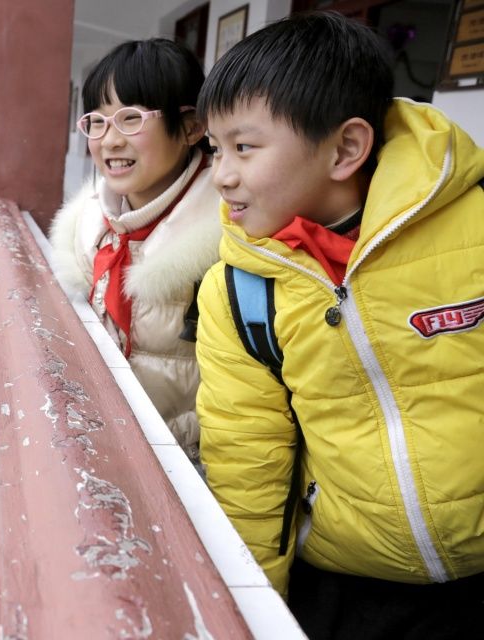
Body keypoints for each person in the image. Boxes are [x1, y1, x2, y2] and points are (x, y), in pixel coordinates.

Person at [194, 11, 484, 638]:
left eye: (244, 147)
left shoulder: (474, 231)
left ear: (346, 149)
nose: (222, 174)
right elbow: (248, 465)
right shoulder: (240, 291)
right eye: (214, 148)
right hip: (346, 590)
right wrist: (252, 614)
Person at [48, 38, 221, 461]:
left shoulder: (227, 239)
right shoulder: (88, 228)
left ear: (191, 127)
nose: (109, 141)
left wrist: (180, 445)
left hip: (190, 462)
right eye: (97, 121)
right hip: (108, 446)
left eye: (130, 119)